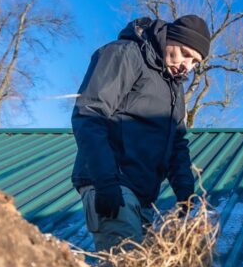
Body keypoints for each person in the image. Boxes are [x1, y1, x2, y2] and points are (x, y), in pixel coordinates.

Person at [70, 14, 210, 251]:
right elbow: (90, 114)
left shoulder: (172, 90)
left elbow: (177, 145)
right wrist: (105, 181)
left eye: (195, 62)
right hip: (113, 182)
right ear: (169, 39)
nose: (188, 66)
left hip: (143, 196)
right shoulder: (125, 54)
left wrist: (187, 199)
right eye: (185, 54)